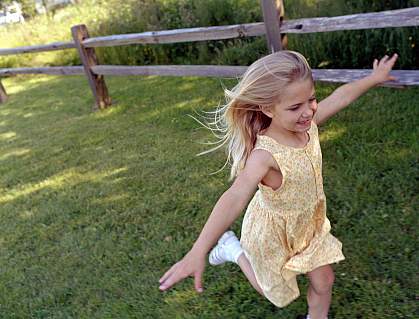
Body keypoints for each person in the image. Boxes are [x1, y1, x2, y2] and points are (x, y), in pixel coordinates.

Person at [158, 50, 398, 319]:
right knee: (272, 293)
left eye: (311, 99)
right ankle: (233, 250)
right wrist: (198, 250)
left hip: (308, 224)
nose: (308, 111)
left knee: (324, 281)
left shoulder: (307, 126)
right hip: (272, 234)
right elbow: (235, 195)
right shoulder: (264, 155)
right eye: (295, 107)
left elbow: (339, 97)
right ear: (267, 108)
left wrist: (374, 78)